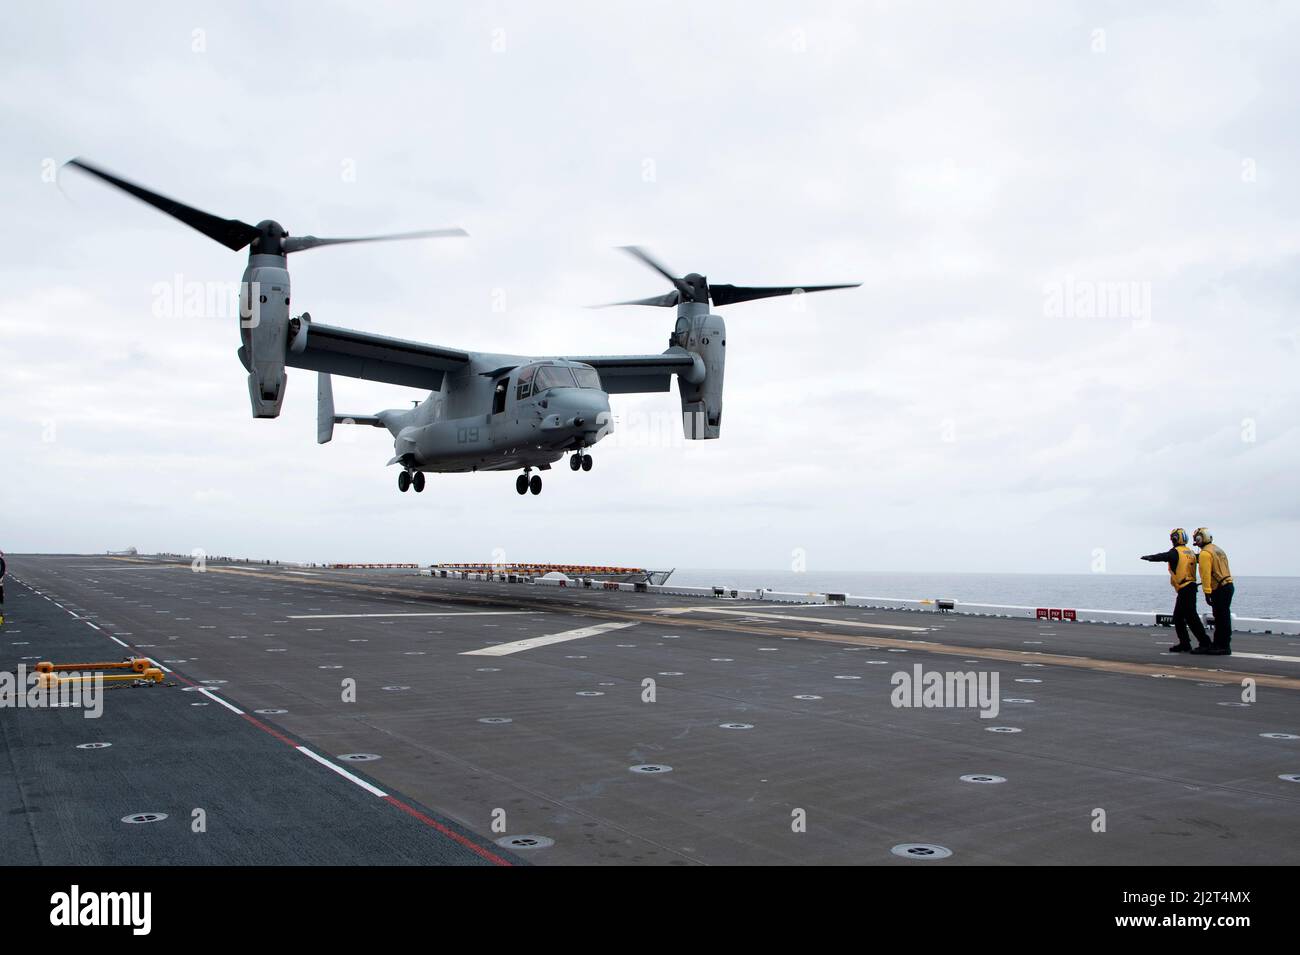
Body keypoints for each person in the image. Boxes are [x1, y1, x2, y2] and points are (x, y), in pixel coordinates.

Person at [1141, 528, 1211, 653]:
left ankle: (1204, 642)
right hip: (1190, 587)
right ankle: (1185, 643)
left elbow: (1164, 556)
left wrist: (1150, 557)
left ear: (1175, 539)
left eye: (1172, 538)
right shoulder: (1189, 552)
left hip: (1185, 588)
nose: (1171, 540)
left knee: (1190, 617)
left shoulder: (1176, 552)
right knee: (1179, 617)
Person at [1194, 528, 1234, 655]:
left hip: (1219, 588)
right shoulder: (1218, 550)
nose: (1196, 541)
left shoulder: (1205, 554)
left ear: (1201, 538)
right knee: (1224, 617)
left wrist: (1207, 592)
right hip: (1228, 585)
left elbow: (1205, 575)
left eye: (1197, 538)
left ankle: (1222, 646)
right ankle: (1221, 644)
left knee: (1220, 618)